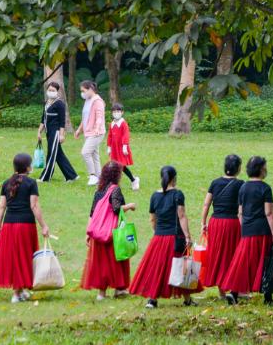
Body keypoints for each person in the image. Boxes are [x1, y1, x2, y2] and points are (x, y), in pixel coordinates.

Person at [220, 155, 273, 306]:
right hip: (262, 230)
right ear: (261, 170)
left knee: (243, 262)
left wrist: (244, 227)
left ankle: (233, 293)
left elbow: (240, 212)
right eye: (265, 167)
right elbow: (268, 212)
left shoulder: (243, 187)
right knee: (267, 261)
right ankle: (268, 297)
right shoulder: (265, 188)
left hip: (247, 231)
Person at [128, 165, 196, 308]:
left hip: (159, 237)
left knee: (156, 268)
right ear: (174, 178)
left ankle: (152, 300)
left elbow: (152, 219)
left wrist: (157, 232)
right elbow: (182, 216)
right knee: (181, 267)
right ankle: (187, 299)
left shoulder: (155, 196)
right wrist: (188, 237)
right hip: (175, 238)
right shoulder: (178, 194)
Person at [0, 153, 51, 302]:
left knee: (15, 257)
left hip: (9, 225)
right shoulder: (31, 183)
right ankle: (16, 293)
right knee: (24, 256)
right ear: (27, 167)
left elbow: (1, 206)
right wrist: (44, 226)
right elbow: (34, 206)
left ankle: (20, 290)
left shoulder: (6, 183)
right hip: (25, 225)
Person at [81, 161, 137, 300]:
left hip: (97, 232)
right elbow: (117, 208)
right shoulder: (115, 189)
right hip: (111, 232)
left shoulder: (99, 191)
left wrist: (88, 232)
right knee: (115, 261)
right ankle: (119, 289)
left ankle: (101, 293)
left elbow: (92, 213)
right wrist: (129, 206)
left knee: (101, 263)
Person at [199, 154, 244, 294]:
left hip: (216, 223)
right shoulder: (240, 184)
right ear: (238, 169)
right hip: (232, 223)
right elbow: (242, 209)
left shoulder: (215, 183)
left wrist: (203, 222)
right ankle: (234, 288)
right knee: (232, 255)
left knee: (217, 254)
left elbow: (206, 204)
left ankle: (221, 290)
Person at [37, 81, 77, 182]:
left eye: (53, 90)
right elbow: (43, 118)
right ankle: (72, 176)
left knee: (51, 154)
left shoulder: (60, 104)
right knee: (58, 155)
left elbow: (62, 121)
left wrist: (62, 135)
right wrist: (39, 131)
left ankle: (45, 177)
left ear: (57, 92)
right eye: (49, 90)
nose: (51, 92)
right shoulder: (46, 103)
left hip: (55, 133)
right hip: (48, 132)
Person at [76, 80, 107, 186]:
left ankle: (93, 175)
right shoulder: (88, 100)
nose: (82, 93)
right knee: (94, 155)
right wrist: (79, 129)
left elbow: (99, 117)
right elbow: (85, 117)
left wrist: (97, 128)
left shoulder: (97, 101)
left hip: (96, 133)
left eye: (83, 91)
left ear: (90, 89)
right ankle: (100, 178)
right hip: (89, 132)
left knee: (85, 152)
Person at [107, 102, 140, 191]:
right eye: (114, 111)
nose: (116, 113)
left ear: (122, 112)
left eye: (118, 111)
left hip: (121, 148)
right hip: (114, 149)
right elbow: (110, 136)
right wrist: (109, 147)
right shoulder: (112, 124)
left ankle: (133, 180)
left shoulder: (123, 123)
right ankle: (116, 183)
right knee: (116, 165)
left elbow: (126, 135)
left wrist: (124, 146)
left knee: (121, 166)